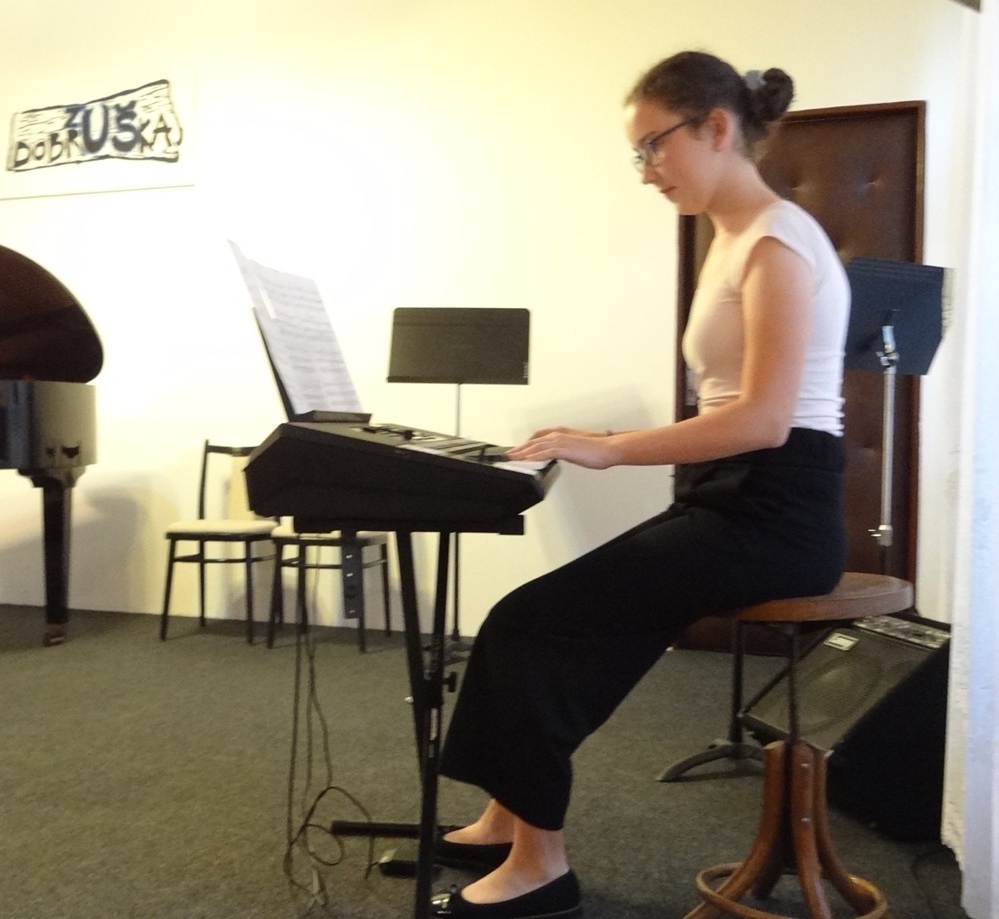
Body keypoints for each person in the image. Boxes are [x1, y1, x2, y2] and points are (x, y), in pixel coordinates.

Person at [427, 50, 851, 919]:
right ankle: (508, 818)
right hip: (731, 499)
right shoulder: (731, 237)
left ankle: (540, 866)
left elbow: (765, 421)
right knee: (552, 627)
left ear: (716, 127)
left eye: (654, 145)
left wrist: (610, 449)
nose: (646, 169)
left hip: (776, 514)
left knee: (531, 623)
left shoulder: (775, 241)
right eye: (638, 152)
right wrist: (603, 444)